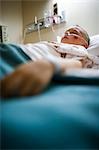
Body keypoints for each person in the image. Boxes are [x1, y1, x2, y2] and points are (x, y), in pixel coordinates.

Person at [0, 25, 98, 98]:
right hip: (12, 50)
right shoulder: (56, 45)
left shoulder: (79, 49)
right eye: (66, 32)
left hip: (23, 61)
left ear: (84, 43)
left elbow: (78, 63)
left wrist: (49, 64)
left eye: (74, 33)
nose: (67, 34)